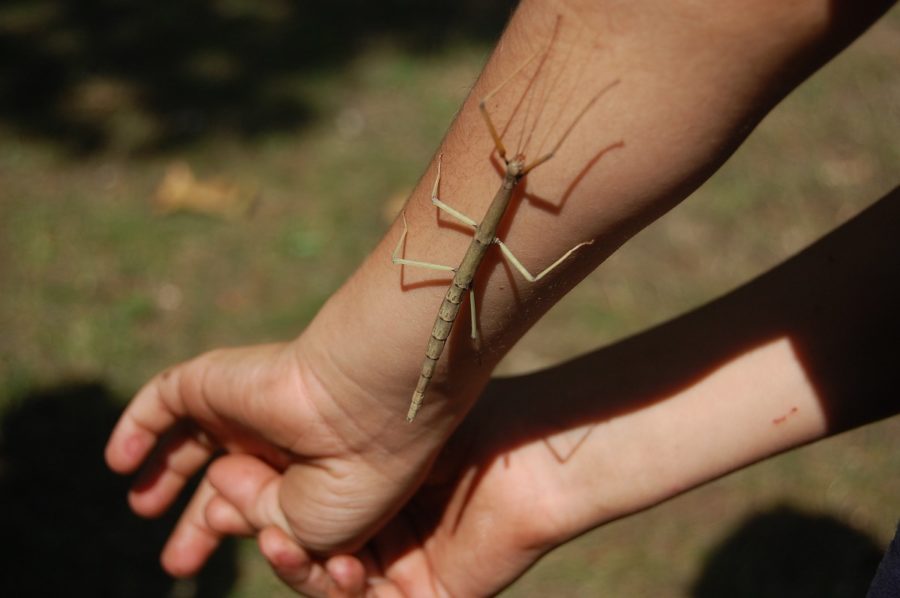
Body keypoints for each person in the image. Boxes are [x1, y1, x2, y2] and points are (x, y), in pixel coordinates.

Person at [104, 0, 899, 595]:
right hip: (442, 308)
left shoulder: (505, 213)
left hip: (453, 295)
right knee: (474, 280)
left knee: (491, 265)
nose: (516, 178)